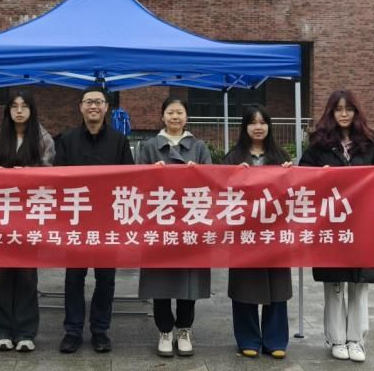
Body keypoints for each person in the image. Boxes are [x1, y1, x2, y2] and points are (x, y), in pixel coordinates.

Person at [299, 89, 374, 363]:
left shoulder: (369, 145)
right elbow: (302, 178)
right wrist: (319, 176)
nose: (344, 114)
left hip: (362, 225)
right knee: (335, 283)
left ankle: (356, 340)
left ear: (356, 112)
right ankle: (336, 339)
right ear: (331, 112)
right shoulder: (319, 146)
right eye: (338, 109)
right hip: (331, 224)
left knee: (359, 284)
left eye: (349, 109)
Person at [54, 86, 134, 354]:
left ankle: (100, 330)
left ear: (106, 107)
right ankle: (73, 331)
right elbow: (57, 179)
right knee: (74, 278)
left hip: (107, 221)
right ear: (80, 106)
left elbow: (130, 180)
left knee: (106, 279)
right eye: (88, 102)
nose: (93, 106)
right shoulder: (67, 140)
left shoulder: (119, 141)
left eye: (98, 102)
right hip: (76, 220)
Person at [135, 97, 211, 358]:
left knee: (189, 279)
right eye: (170, 112)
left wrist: (198, 173)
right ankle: (165, 330)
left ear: (186, 117)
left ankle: (185, 329)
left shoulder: (199, 147)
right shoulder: (148, 147)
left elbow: (212, 183)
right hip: (159, 224)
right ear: (162, 116)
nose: (175, 117)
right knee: (160, 279)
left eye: (179, 112)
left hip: (190, 224)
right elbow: (136, 184)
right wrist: (151, 173)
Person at [0, 90, 55, 353]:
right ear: (8, 110)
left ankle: (26, 332)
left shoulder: (43, 138)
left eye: (24, 106)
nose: (19, 111)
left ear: (32, 110)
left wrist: (28, 174)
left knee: (26, 275)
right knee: (0, 274)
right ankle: (2, 331)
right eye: (14, 106)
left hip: (30, 214)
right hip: (0, 214)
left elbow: (50, 174)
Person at [223, 104, 293, 359]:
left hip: (274, 233)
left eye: (263, 122)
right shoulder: (233, 157)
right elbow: (221, 191)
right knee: (245, 286)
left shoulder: (281, 156)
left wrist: (290, 174)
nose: (258, 127)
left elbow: (293, 195)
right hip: (245, 235)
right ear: (244, 127)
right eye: (253, 122)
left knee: (277, 287)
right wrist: (234, 176)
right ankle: (247, 338)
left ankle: (275, 340)